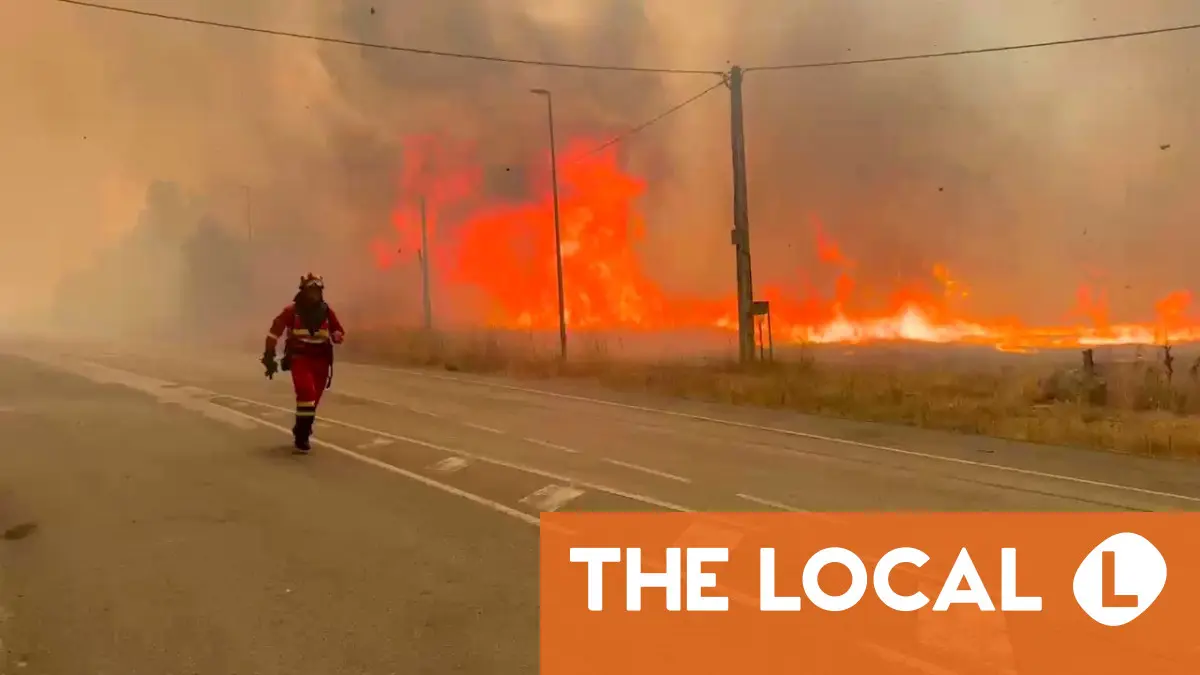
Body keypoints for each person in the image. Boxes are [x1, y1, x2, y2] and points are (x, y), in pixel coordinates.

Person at [262, 273, 345, 453]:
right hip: (300, 359)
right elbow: (274, 331)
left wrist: (337, 335)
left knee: (313, 401)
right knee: (306, 393)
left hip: (321, 361)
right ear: (303, 292)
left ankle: (302, 428)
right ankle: (302, 435)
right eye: (311, 291)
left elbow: (337, 329)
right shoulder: (292, 311)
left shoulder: (326, 311)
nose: (314, 294)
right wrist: (269, 354)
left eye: (317, 291)